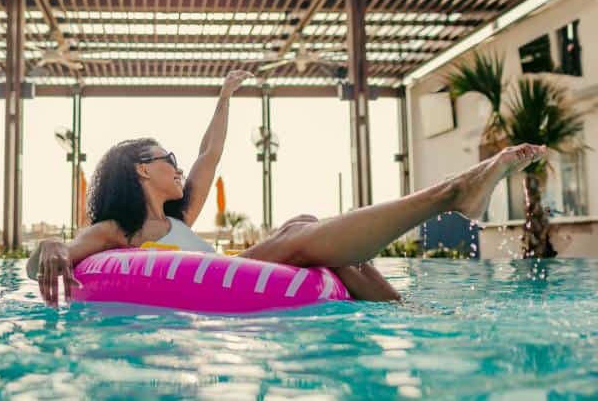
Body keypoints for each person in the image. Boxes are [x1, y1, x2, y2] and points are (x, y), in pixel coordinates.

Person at [27, 70, 545, 305]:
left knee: (303, 225)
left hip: (236, 271)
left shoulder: (180, 215)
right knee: (302, 236)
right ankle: (450, 193)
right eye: (168, 159)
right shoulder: (122, 230)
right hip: (218, 287)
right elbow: (64, 252)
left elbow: (211, 153)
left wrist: (225, 95)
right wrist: (49, 246)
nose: (178, 166)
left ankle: (406, 314)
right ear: (141, 169)